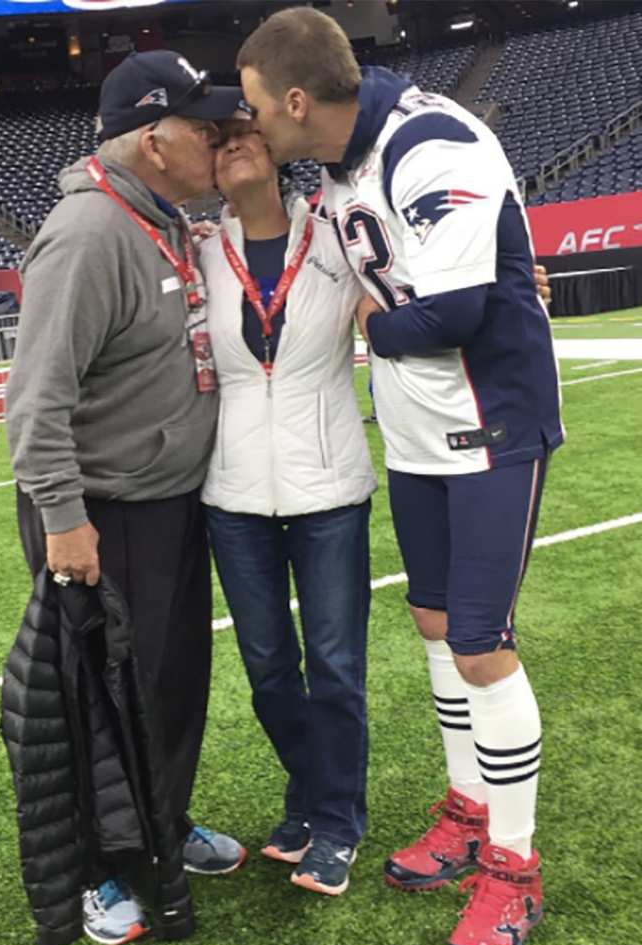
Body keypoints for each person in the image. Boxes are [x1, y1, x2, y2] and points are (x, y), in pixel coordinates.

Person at [238, 10, 564, 945]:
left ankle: (516, 868)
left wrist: (373, 329)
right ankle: (468, 808)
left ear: (298, 102)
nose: (253, 123)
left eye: (257, 106)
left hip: (492, 426)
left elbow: (456, 310)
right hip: (420, 436)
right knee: (432, 628)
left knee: (479, 645)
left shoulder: (432, 138)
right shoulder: (339, 170)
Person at [5, 50, 246, 945]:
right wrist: (65, 517)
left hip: (168, 503)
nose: (219, 143)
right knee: (95, 703)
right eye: (206, 129)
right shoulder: (89, 233)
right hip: (103, 512)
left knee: (170, 688)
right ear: (155, 138)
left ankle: (160, 827)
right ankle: (102, 871)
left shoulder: (161, 218)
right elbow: (35, 400)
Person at [199, 112, 376, 896]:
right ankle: (309, 791)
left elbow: (400, 299)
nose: (232, 144)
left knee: (336, 669)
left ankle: (336, 821)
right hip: (233, 493)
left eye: (245, 132)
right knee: (270, 670)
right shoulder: (201, 251)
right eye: (217, 141)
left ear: (276, 152)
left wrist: (516, 285)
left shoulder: (337, 237)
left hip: (330, 485)